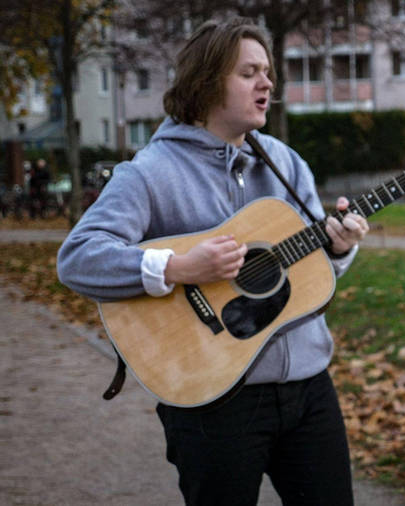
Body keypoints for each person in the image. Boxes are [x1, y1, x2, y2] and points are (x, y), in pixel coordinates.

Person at [57, 18, 368, 505]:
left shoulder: (286, 164)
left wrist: (339, 247)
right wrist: (177, 268)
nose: (267, 84)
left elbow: (312, 271)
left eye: (267, 72)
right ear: (205, 83)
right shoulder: (150, 172)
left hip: (308, 386)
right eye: (249, 73)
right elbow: (78, 258)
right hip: (212, 398)